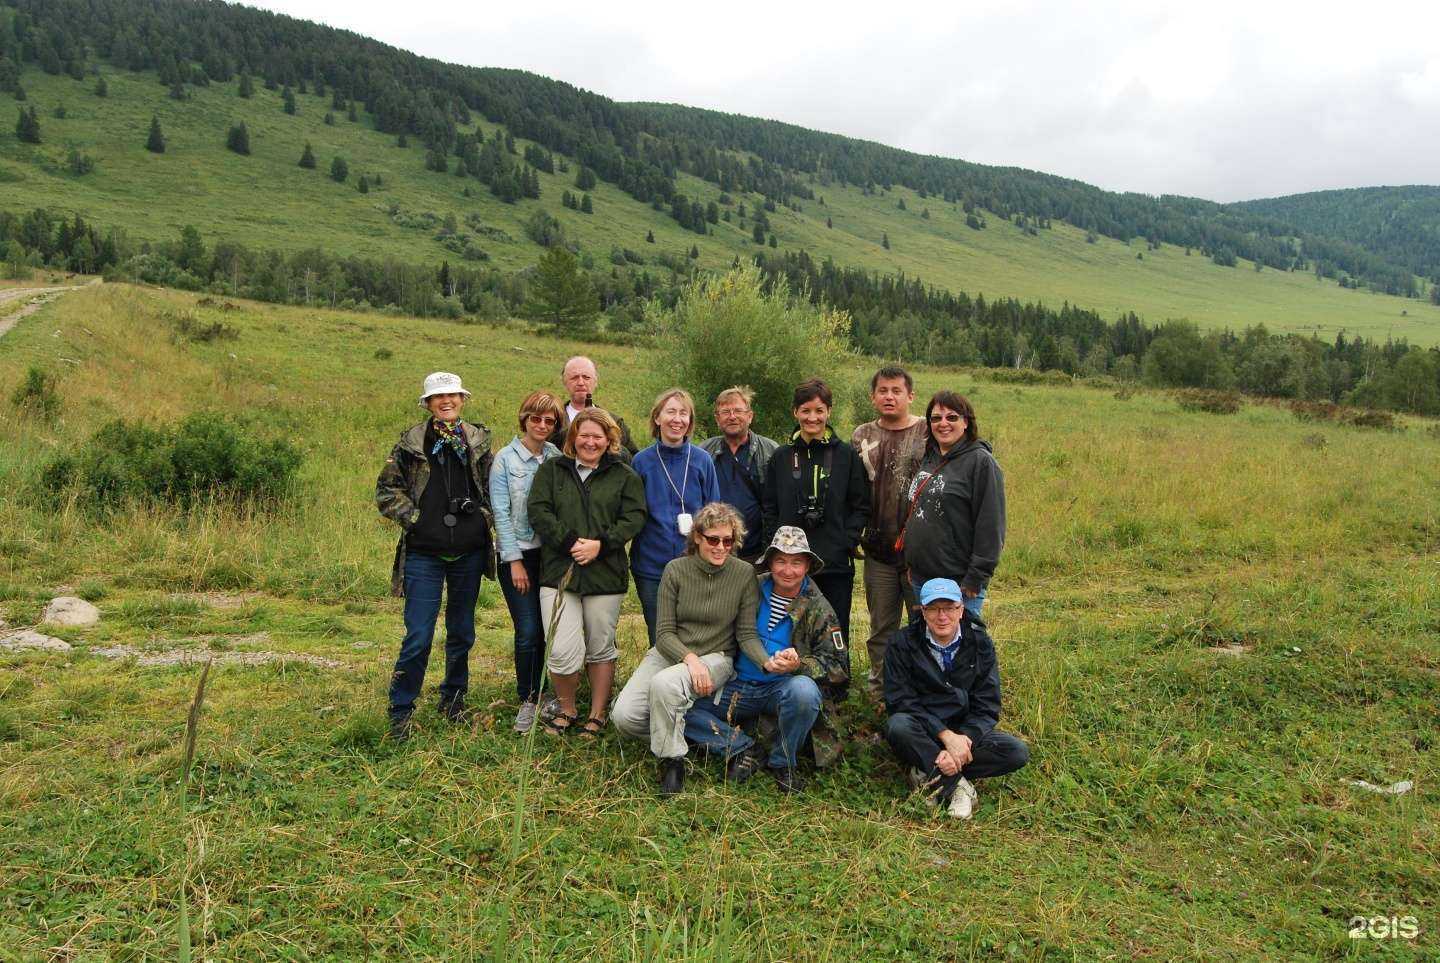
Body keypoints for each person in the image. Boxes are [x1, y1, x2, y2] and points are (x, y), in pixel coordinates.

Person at [612, 503, 761, 796]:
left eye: (728, 541)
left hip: (716, 657)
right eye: (713, 539)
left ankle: (673, 762)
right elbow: (664, 632)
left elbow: (746, 634)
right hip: (672, 652)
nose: (721, 547)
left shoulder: (744, 574)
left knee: (664, 685)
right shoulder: (675, 570)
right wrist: (689, 659)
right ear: (697, 537)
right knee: (624, 717)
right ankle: (725, 742)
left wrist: (768, 662)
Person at [685, 526, 849, 791]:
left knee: (805, 693)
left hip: (780, 689)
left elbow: (839, 668)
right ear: (770, 562)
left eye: (796, 562)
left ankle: (783, 763)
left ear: (807, 566)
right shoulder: (751, 587)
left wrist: (800, 665)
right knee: (681, 706)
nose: (788, 570)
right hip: (734, 682)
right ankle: (742, 748)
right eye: (781, 561)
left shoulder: (820, 608)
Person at [376, 371, 494, 740]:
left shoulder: (478, 442)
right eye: (439, 397)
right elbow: (386, 491)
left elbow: (495, 489)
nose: (447, 402)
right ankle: (400, 709)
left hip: (468, 553)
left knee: (462, 632)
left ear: (462, 399)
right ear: (428, 403)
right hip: (424, 554)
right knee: (419, 635)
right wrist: (416, 519)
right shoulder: (411, 444)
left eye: (453, 396)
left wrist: (483, 518)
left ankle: (454, 699)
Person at [527, 408, 648, 737]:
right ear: (572, 438)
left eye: (598, 436)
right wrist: (569, 542)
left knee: (600, 646)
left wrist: (601, 544)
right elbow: (538, 510)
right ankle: (566, 708)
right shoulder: (553, 471)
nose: (590, 442)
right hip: (558, 573)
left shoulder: (624, 475)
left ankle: (597, 714)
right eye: (584, 435)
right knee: (562, 650)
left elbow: (634, 517)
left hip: (605, 575)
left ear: (609, 440)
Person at [883, 578, 1029, 819]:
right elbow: (899, 700)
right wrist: (944, 735)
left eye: (949, 608)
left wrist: (964, 740)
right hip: (923, 728)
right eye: (934, 608)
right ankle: (957, 785)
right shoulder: (901, 643)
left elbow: (987, 705)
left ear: (961, 610)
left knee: (1015, 752)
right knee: (898, 726)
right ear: (922, 611)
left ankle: (927, 770)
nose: (942, 616)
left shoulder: (980, 642)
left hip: (964, 732)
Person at [761, 378, 869, 649]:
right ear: (795, 412)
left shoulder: (845, 455)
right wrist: (776, 547)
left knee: (835, 626)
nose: (812, 417)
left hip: (834, 562)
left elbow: (861, 505)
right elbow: (770, 506)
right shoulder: (781, 457)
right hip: (790, 565)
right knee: (789, 626)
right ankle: (791, 683)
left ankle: (836, 686)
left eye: (819, 410)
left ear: (828, 412)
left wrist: (847, 541)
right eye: (806, 410)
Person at [488, 390, 564, 734]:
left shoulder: (556, 457)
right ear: (525, 419)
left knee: (550, 628)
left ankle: (551, 693)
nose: (543, 425)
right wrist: (514, 561)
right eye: (536, 418)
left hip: (549, 555)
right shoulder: (505, 459)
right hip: (517, 554)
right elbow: (500, 514)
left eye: (550, 420)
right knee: (528, 629)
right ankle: (528, 698)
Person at [852, 365, 929, 695]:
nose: (889, 396)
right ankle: (880, 693)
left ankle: (924, 691)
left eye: (897, 391)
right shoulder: (861, 436)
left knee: (923, 624)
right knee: (881, 627)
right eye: (883, 390)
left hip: (920, 554)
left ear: (911, 396)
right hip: (878, 551)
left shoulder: (928, 433)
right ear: (872, 396)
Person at [900, 391, 1005, 621]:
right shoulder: (931, 456)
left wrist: (975, 577)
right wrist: (912, 562)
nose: (943, 423)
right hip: (921, 579)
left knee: (961, 650)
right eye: (936, 418)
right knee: (925, 650)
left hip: (958, 584)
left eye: (952, 417)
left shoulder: (981, 463)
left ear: (966, 422)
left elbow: (991, 526)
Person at [629, 388, 720, 647]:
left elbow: (714, 515)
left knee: (694, 632)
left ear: (690, 421)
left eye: (684, 413)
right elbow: (633, 514)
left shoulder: (703, 461)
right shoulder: (641, 462)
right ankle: (659, 686)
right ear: (657, 418)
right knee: (659, 634)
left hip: (694, 564)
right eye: (670, 411)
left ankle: (692, 685)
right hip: (651, 564)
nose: (677, 419)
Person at [699, 386, 779, 564]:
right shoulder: (702, 452)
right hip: (715, 551)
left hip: (758, 553)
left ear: (750, 416)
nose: (732, 416)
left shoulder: (772, 451)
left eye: (738, 410)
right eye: (725, 412)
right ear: (717, 419)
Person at [548, 355, 637, 458]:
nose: (581, 383)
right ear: (564, 382)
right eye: (574, 377)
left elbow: (632, 459)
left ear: (596, 382)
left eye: (586, 377)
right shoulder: (550, 420)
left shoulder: (615, 422)